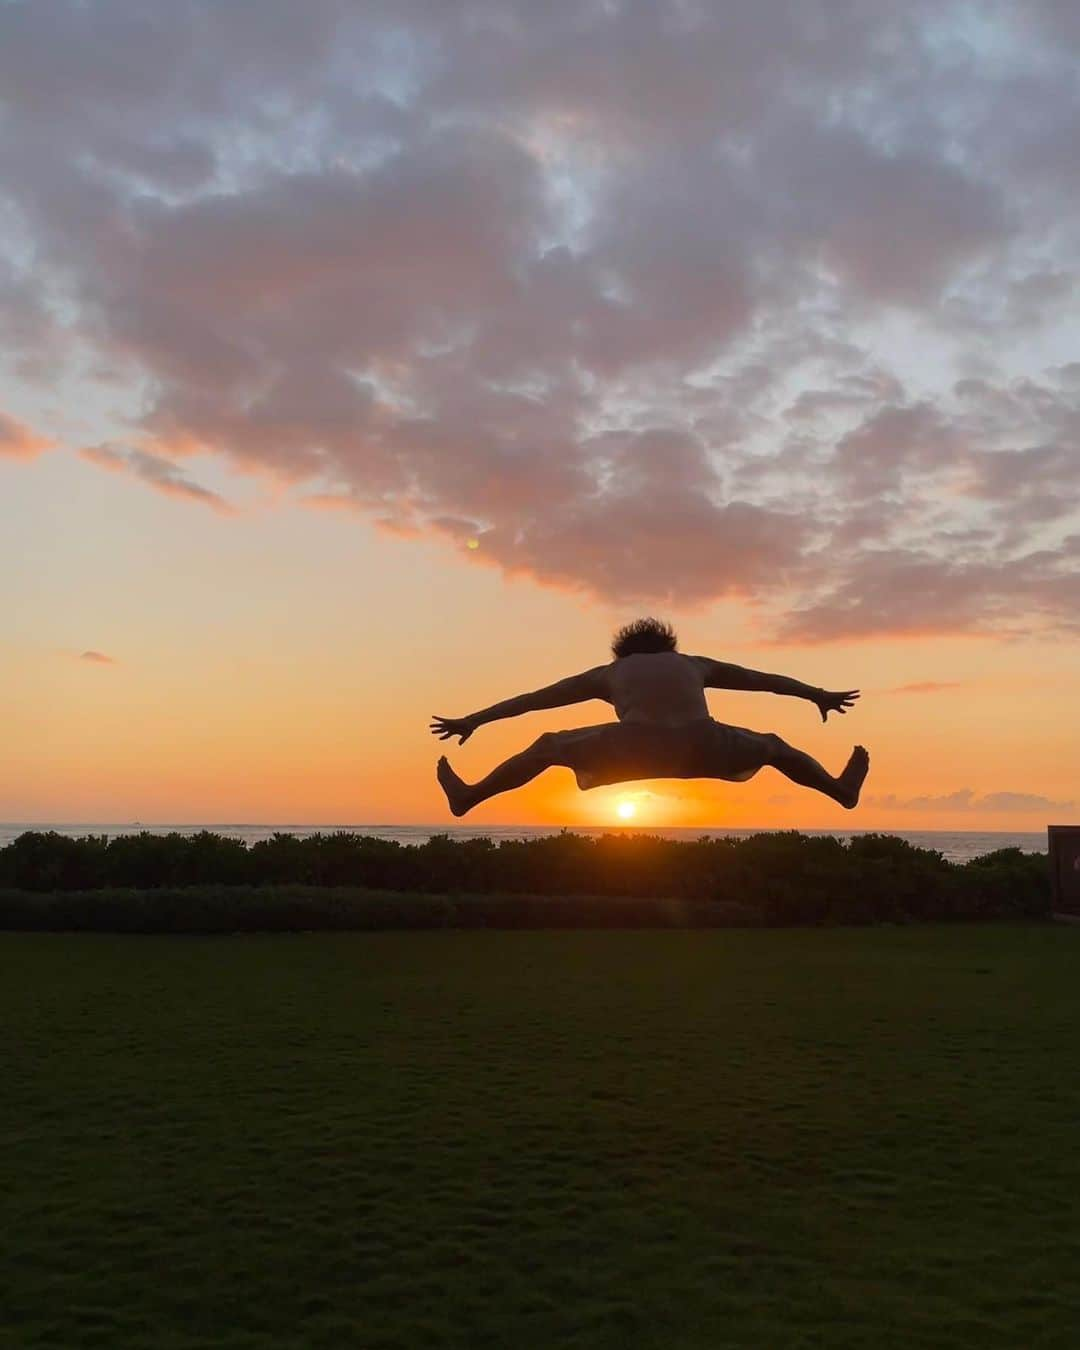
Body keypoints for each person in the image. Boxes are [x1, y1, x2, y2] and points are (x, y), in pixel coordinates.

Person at [431, 617, 868, 817]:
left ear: (622, 652)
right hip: (704, 746)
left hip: (634, 747)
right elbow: (761, 679)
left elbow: (534, 699)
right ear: (669, 647)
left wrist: (475, 720)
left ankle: (471, 796)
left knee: (549, 747)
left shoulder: (610, 672)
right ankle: (839, 790)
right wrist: (815, 694)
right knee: (773, 746)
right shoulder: (694, 664)